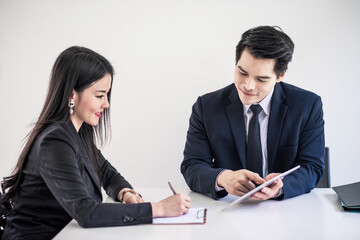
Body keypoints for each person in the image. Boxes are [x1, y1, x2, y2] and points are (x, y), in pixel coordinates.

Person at [1, 46, 191, 240]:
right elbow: (86, 212)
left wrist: (126, 193)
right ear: (72, 95)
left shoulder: (78, 132)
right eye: (99, 96)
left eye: (107, 95)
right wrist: (158, 209)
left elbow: (108, 175)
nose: (106, 103)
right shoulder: (54, 140)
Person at [181, 26, 325, 201]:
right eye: (242, 72)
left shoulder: (307, 106)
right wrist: (222, 178)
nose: (248, 86)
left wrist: (280, 188)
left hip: (285, 210)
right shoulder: (206, 107)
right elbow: (192, 165)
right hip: (227, 208)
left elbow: (312, 167)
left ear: (280, 76)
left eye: (261, 79)